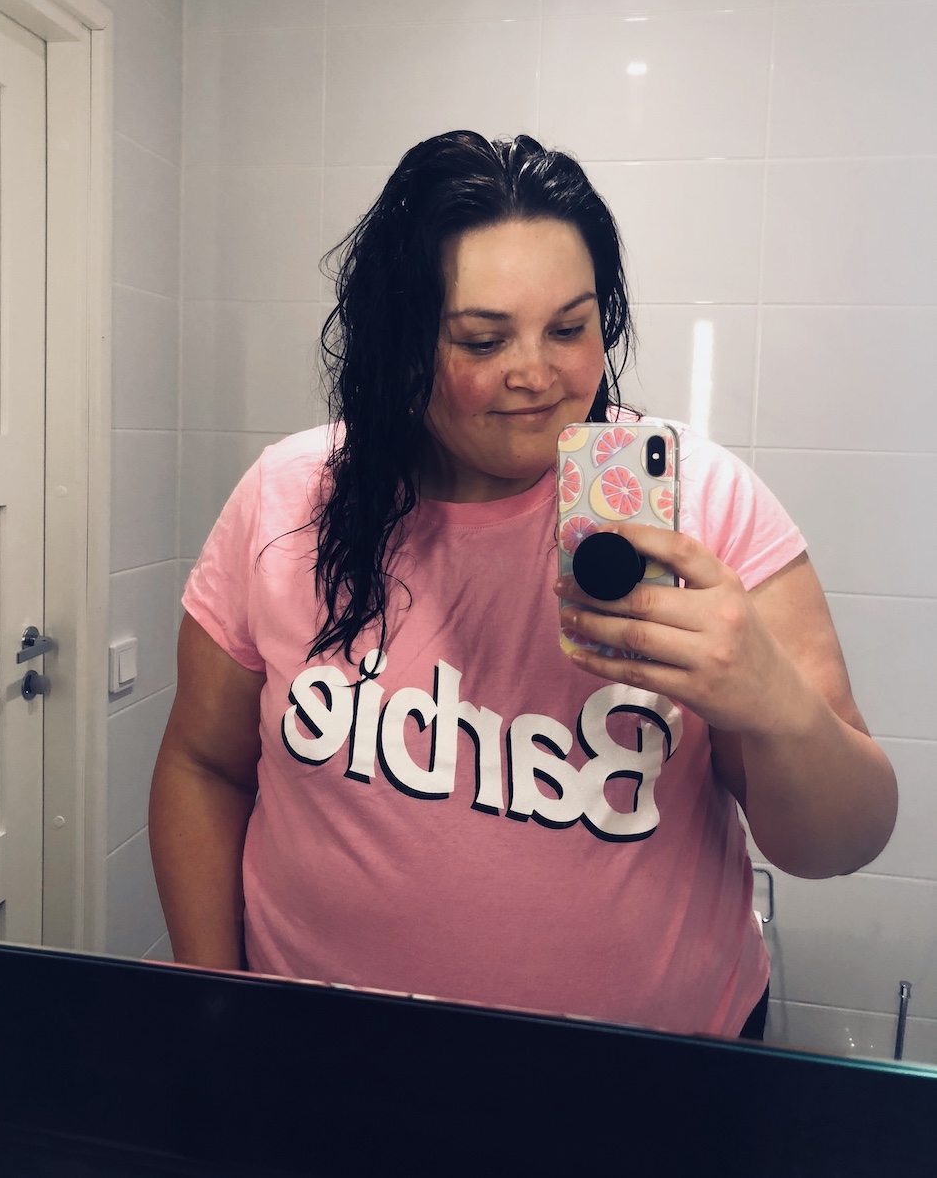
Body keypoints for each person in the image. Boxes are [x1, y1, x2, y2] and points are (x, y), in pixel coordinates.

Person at [149, 131, 897, 1040]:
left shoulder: (705, 506)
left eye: (569, 328)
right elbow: (204, 764)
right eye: (483, 338)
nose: (537, 374)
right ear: (401, 342)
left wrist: (771, 699)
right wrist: (213, 998)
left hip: (656, 1082)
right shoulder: (287, 498)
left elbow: (843, 841)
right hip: (322, 1065)